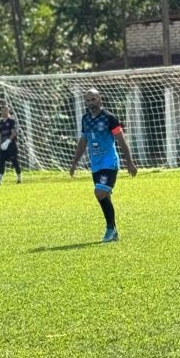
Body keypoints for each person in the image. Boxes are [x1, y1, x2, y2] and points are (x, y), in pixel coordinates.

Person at [69, 87, 137, 242]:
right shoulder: (85, 119)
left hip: (109, 161)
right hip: (96, 164)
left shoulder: (109, 118)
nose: (90, 102)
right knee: (104, 195)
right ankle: (113, 232)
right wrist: (74, 163)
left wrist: (130, 162)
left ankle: (110, 229)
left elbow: (121, 140)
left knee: (99, 192)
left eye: (93, 99)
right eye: (87, 100)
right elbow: (83, 141)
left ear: (100, 99)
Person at [0, 103, 22, 184]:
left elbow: (14, 133)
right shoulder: (0, 122)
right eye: (2, 111)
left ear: (8, 111)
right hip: (3, 145)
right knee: (1, 161)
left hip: (11, 144)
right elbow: (0, 135)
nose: (3, 112)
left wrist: (7, 141)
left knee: (14, 161)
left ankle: (19, 178)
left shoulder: (12, 121)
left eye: (5, 110)